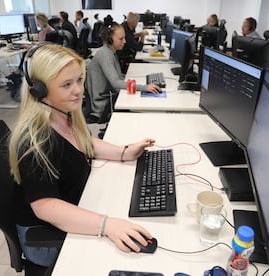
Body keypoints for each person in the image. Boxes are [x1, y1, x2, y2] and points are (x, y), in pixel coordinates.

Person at [9, 43, 156, 267]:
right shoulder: (36, 141)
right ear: (39, 90)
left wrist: (124, 152)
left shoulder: (63, 114)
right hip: (44, 237)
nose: (78, 90)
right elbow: (45, 206)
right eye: (66, 84)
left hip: (72, 209)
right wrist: (107, 225)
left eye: (79, 80)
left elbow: (83, 143)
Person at [86, 22, 161, 121]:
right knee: (144, 112)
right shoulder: (106, 55)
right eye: (121, 39)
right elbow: (116, 83)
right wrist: (144, 87)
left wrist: (138, 81)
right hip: (103, 105)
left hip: (110, 96)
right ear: (110, 39)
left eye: (124, 38)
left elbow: (118, 76)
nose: (125, 41)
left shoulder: (111, 52)